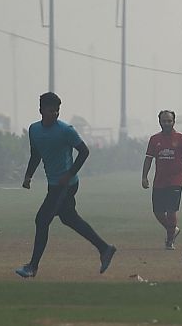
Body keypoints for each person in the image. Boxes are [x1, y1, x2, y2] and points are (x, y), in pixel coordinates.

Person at [14, 92, 116, 278]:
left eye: (57, 110)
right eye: (51, 110)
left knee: (41, 220)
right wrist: (28, 175)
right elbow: (36, 154)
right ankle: (105, 248)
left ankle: (32, 267)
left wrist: (69, 174)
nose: (55, 114)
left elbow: (84, 152)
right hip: (54, 184)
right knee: (69, 218)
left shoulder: (65, 130)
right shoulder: (34, 130)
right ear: (41, 110)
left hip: (66, 185)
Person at [142, 110, 182, 249]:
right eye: (164, 121)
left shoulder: (181, 138)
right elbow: (148, 159)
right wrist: (144, 177)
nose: (166, 123)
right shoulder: (154, 139)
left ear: (174, 121)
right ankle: (172, 230)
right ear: (159, 122)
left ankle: (170, 240)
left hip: (176, 180)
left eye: (169, 121)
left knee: (172, 211)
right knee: (158, 212)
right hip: (159, 180)